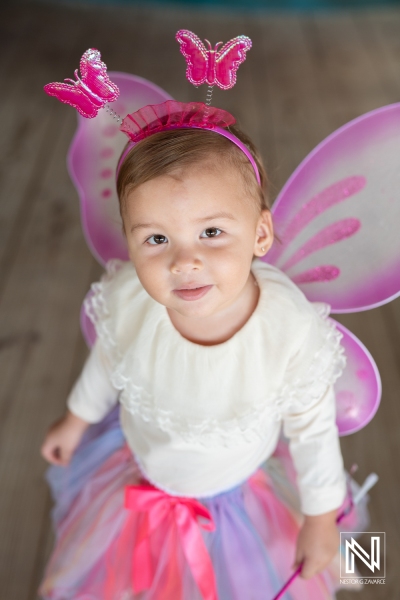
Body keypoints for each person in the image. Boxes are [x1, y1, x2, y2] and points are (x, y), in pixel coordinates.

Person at [38, 121, 368, 600]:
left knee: (260, 578)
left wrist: (319, 517)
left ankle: (354, 562)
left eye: (211, 232)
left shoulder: (287, 329)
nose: (183, 262)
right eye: (155, 239)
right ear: (129, 240)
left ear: (259, 233)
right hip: (139, 473)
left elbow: (312, 429)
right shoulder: (132, 297)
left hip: (238, 496)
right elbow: (111, 358)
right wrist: (76, 418)